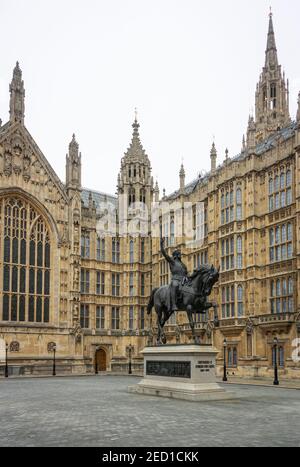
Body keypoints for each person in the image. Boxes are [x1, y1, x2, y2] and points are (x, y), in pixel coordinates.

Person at [160, 237, 189, 312]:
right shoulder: (172, 262)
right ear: (175, 255)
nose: (180, 254)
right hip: (175, 280)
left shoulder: (183, 265)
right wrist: (161, 244)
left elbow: (187, 274)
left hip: (183, 281)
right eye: (178, 253)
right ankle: (173, 304)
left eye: (180, 253)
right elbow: (164, 254)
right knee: (175, 285)